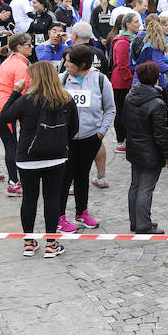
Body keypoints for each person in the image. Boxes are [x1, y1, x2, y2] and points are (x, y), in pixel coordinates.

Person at [1, 61, 79, 258]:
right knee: (52, 199)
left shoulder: (27, 100)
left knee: (29, 199)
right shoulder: (66, 99)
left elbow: (5, 117)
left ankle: (29, 242)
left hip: (27, 157)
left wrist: (15, 92)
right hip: (56, 157)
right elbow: (74, 129)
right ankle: (51, 244)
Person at [55, 45, 116, 233]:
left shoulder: (100, 80)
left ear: (82, 64)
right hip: (66, 139)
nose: (65, 64)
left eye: (69, 62)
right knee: (64, 178)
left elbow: (110, 108)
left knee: (82, 176)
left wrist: (100, 133)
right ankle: (59, 217)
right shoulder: (62, 79)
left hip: (90, 138)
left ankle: (81, 212)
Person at [122, 61, 168, 234]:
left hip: (134, 148)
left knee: (135, 186)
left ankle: (135, 221)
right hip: (149, 151)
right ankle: (143, 224)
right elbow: (161, 134)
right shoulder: (157, 104)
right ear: (157, 78)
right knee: (145, 188)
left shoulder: (130, 96)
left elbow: (124, 122)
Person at [0, 33, 33, 195]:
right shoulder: (22, 66)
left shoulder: (8, 61)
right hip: (3, 109)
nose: (31, 47)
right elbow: (20, 93)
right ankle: (14, 182)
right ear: (19, 47)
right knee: (11, 145)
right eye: (28, 45)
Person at [109, 13, 141, 154]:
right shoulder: (122, 42)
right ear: (127, 24)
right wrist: (132, 82)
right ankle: (120, 142)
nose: (139, 24)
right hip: (121, 82)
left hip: (127, 80)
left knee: (127, 111)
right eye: (135, 22)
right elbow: (123, 66)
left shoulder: (132, 39)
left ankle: (126, 139)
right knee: (121, 111)